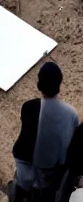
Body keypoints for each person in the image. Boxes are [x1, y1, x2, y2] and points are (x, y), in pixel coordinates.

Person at [11, 62, 79, 202]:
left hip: (28, 176)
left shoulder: (29, 107)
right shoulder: (72, 114)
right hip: (54, 179)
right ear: (59, 84)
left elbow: (22, 148)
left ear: (39, 84)